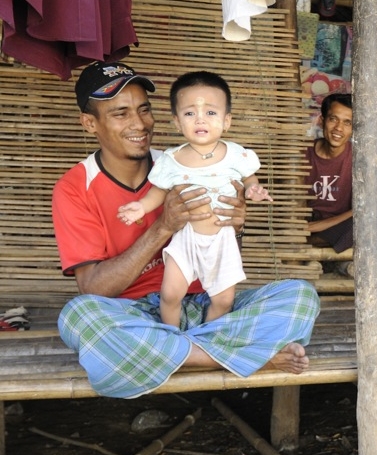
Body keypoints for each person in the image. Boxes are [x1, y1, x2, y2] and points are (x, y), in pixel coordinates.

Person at [51, 61, 320, 399]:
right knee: (81, 318)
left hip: (206, 307)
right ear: (90, 123)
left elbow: (221, 255)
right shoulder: (75, 188)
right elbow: (94, 289)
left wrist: (235, 225)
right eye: (121, 113)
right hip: (135, 316)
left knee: (299, 297)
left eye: (144, 109)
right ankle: (241, 356)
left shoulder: (183, 162)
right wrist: (163, 226)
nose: (139, 123)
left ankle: (177, 354)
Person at [118, 70, 272, 327]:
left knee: (223, 300)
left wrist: (254, 191)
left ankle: (207, 337)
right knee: (169, 294)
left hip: (222, 239)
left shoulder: (237, 155)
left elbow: (250, 181)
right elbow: (158, 192)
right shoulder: (172, 160)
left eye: (211, 112)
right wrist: (140, 207)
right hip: (186, 239)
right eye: (190, 113)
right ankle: (172, 336)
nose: (200, 119)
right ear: (177, 122)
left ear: (227, 120)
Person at [305, 93, 354, 253]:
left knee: (362, 225)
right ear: (322, 121)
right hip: (303, 222)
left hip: (337, 225)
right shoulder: (302, 153)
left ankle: (313, 242)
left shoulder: (360, 159)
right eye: (333, 119)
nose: (339, 128)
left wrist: (315, 227)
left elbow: (363, 209)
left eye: (347, 123)